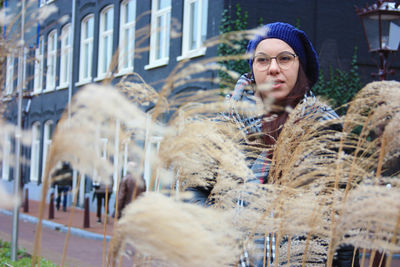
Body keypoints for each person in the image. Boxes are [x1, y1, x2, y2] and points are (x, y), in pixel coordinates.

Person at [189, 22, 359, 266]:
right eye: (262, 60)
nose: (273, 68)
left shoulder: (325, 129)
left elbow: (343, 221)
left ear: (301, 66)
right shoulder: (224, 125)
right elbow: (194, 191)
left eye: (285, 58)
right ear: (253, 68)